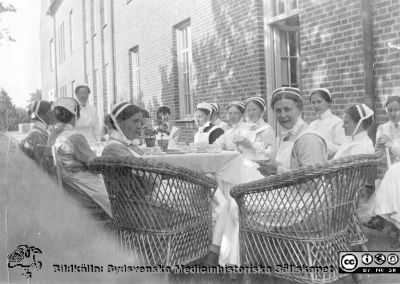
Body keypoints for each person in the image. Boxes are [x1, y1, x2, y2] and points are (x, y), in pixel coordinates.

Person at [50, 97, 111, 218]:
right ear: (74, 116)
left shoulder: (52, 135)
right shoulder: (75, 138)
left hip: (70, 188)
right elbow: (97, 165)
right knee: (120, 199)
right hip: (84, 191)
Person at [257, 87, 327, 176]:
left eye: (287, 109)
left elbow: (312, 181)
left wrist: (277, 168)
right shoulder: (286, 136)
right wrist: (270, 172)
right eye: (278, 111)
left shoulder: (308, 139)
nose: (282, 115)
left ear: (300, 109)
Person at [309, 88, 348, 158]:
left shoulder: (337, 123)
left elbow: (343, 149)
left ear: (328, 102)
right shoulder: (312, 125)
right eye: (313, 102)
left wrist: (321, 143)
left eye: (319, 102)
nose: (316, 105)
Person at [233, 97, 275, 161]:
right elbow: (238, 152)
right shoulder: (243, 129)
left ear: (262, 111)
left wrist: (252, 146)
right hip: (242, 166)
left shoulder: (267, 129)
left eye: (254, 109)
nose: (251, 113)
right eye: (248, 110)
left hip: (260, 167)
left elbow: (271, 155)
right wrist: (237, 145)